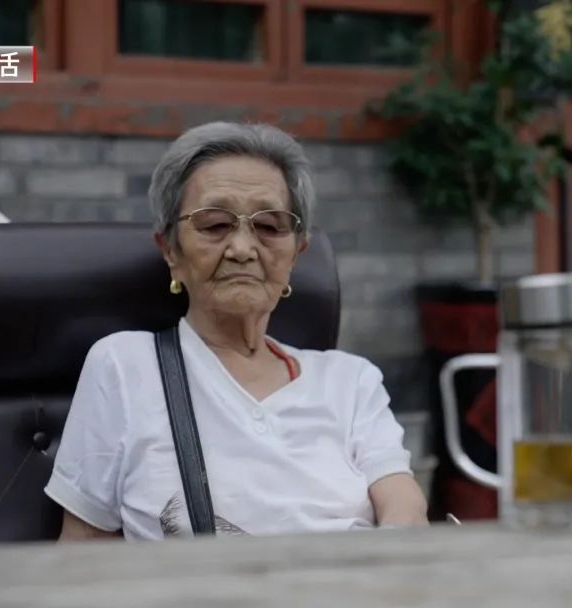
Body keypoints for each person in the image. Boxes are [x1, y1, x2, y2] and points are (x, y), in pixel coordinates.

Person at [45, 122, 429, 540]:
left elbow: (404, 506)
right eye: (215, 225)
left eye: (269, 227)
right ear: (171, 250)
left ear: (296, 254)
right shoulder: (125, 366)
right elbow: (82, 550)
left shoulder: (351, 380)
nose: (243, 249)